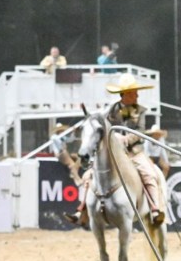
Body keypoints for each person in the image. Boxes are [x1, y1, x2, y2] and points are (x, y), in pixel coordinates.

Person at [66, 77, 164, 228]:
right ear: (126, 94)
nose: (137, 95)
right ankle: (82, 209)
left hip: (134, 153)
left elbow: (140, 132)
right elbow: (97, 122)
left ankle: (154, 209)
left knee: (149, 174)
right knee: (88, 175)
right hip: (113, 154)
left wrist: (126, 139)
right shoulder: (109, 110)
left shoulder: (140, 111)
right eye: (134, 92)